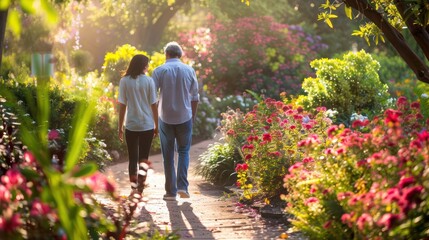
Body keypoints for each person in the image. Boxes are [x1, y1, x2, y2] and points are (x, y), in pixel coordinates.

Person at [152, 42, 199, 201]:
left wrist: (154, 121)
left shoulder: (159, 71)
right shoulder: (189, 70)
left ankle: (170, 192)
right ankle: (183, 187)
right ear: (180, 55)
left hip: (165, 117)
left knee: (168, 155)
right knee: (184, 151)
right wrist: (192, 117)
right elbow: (195, 97)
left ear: (166, 54)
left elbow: (152, 98)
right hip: (185, 116)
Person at [118, 54, 158, 198]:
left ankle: (134, 187)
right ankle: (140, 188)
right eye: (146, 64)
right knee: (143, 158)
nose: (147, 67)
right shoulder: (149, 81)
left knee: (132, 158)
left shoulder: (124, 81)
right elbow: (154, 104)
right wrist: (156, 125)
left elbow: (122, 106)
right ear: (143, 66)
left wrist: (120, 127)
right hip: (147, 125)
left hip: (131, 125)